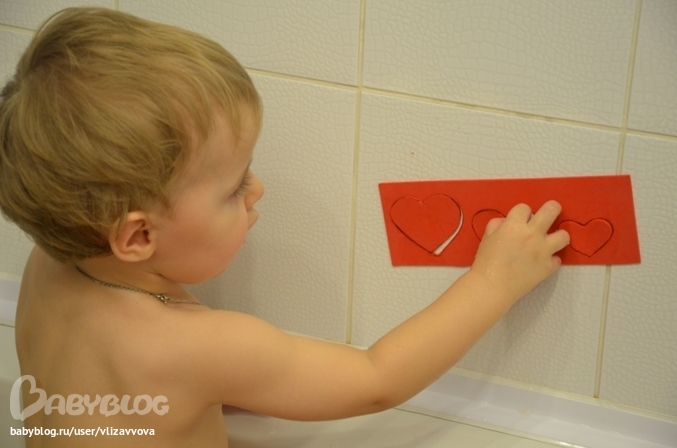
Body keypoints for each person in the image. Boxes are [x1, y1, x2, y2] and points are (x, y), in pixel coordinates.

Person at [0, 7, 569, 448]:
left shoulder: (50, 265)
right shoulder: (199, 346)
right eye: (233, 188)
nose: (258, 190)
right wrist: (494, 281)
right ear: (137, 238)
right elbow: (376, 379)